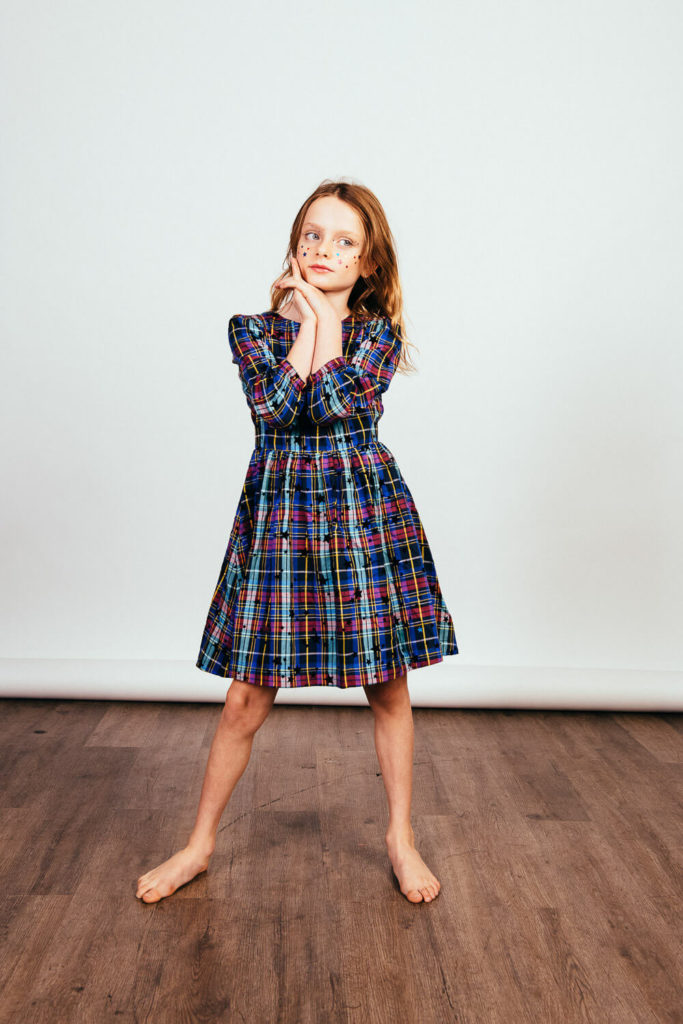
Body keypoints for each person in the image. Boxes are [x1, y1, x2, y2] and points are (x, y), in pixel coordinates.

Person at [136, 179, 458, 906]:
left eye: (345, 241)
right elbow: (280, 410)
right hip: (281, 517)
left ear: (370, 263)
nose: (324, 250)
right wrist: (308, 317)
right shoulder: (250, 329)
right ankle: (198, 844)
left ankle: (399, 838)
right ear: (294, 240)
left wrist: (322, 320)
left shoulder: (379, 336)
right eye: (313, 235)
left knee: (388, 686)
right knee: (245, 698)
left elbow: (333, 401)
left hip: (361, 513)